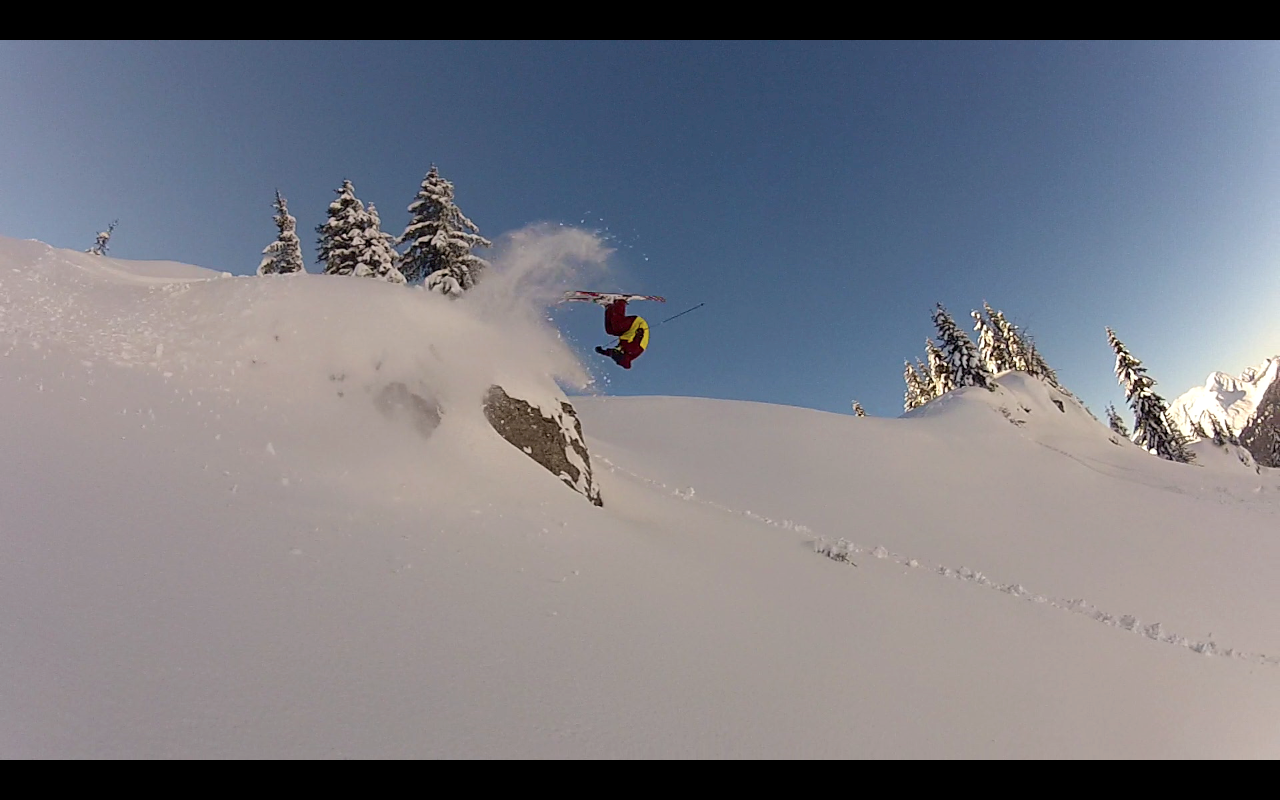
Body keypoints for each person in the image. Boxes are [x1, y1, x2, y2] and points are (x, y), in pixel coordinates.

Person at [594, 298, 649, 369]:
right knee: (617, 326)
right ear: (622, 353)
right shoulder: (632, 350)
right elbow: (638, 340)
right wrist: (640, 333)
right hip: (638, 325)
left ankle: (609, 306)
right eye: (617, 349)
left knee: (610, 330)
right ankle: (621, 301)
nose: (616, 347)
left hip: (628, 331)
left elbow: (611, 353)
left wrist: (601, 351)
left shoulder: (621, 354)